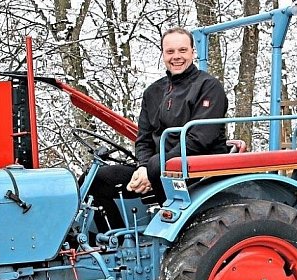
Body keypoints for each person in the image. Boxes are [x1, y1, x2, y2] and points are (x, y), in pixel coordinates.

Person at [87, 27, 228, 231]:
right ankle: (116, 241)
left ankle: (174, 232)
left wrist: (156, 166)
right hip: (157, 168)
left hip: (198, 165)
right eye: (170, 52)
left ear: (192, 52)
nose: (176, 57)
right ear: (163, 54)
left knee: (158, 166)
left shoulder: (209, 87)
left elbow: (200, 139)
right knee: (95, 179)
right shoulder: (153, 92)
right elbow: (143, 139)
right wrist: (143, 167)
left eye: (182, 50)